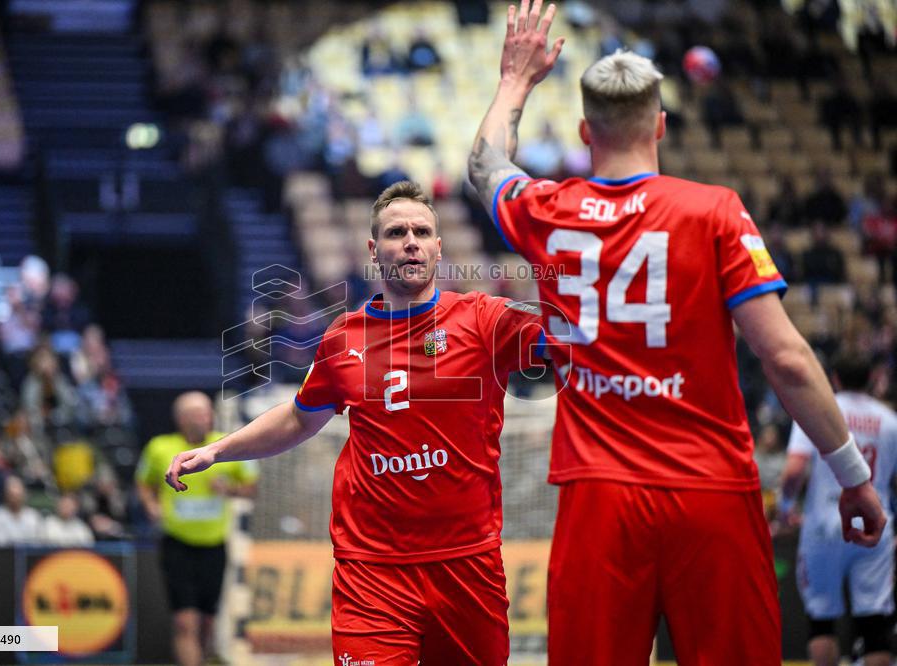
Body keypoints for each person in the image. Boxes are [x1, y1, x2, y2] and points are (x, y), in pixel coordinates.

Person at [466, 2, 886, 664]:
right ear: (660, 124)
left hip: (598, 497)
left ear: (584, 129)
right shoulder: (713, 211)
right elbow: (786, 358)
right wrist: (853, 475)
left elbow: (485, 168)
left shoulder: (548, 211)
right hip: (711, 492)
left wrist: (516, 79)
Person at [166, 180, 548, 665]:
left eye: (421, 231)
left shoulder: (485, 320)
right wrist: (218, 450)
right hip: (372, 570)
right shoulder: (343, 337)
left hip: (467, 565)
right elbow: (298, 420)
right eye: (396, 232)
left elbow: (573, 338)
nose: (410, 240)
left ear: (438, 245)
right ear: (374, 249)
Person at [780, 353, 897, 666]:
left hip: (824, 524)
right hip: (876, 523)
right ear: (872, 379)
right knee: (874, 623)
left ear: (834, 378)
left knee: (821, 618)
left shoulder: (816, 410)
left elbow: (793, 471)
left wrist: (785, 506)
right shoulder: (889, 421)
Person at [136, 392, 258, 666]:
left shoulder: (228, 446)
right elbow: (144, 482)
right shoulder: (160, 447)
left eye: (206, 412)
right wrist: (151, 505)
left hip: (215, 546)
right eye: (196, 413)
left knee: (207, 623)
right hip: (177, 545)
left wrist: (228, 489)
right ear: (181, 419)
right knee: (184, 621)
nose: (205, 417)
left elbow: (252, 489)